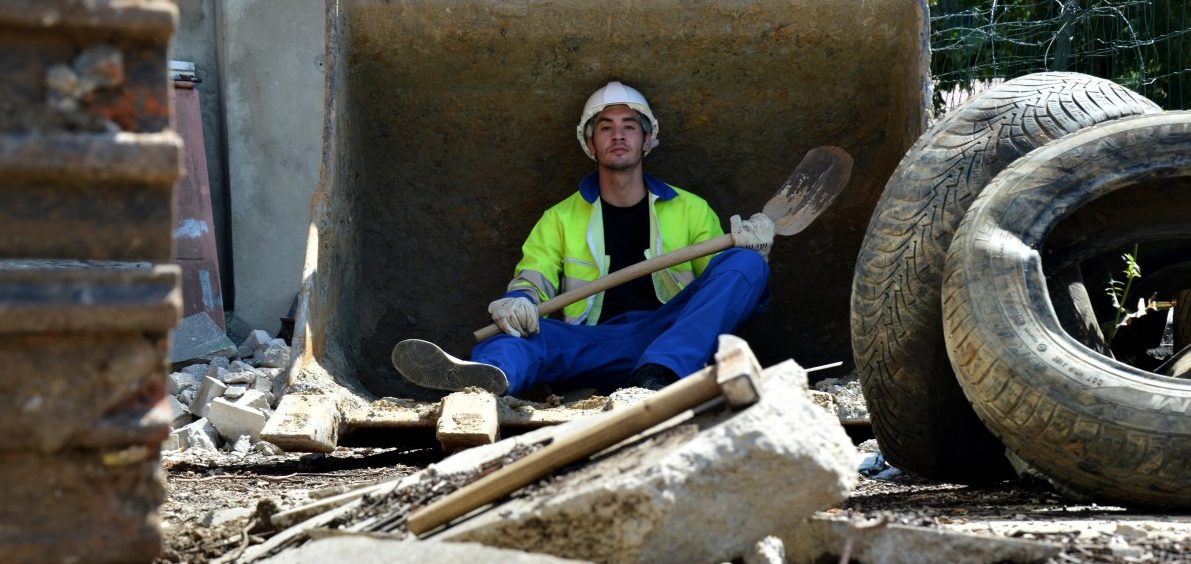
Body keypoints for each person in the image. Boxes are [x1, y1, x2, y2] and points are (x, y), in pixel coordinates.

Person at [391, 80, 774, 397]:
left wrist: (755, 256)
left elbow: (722, 297)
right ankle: (484, 381)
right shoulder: (559, 218)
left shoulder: (690, 209)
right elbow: (533, 277)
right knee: (511, 341)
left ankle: (660, 373)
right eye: (606, 127)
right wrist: (518, 302)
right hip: (591, 345)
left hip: (672, 335)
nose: (618, 135)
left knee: (746, 264)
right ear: (590, 143)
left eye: (629, 125)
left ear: (648, 140)